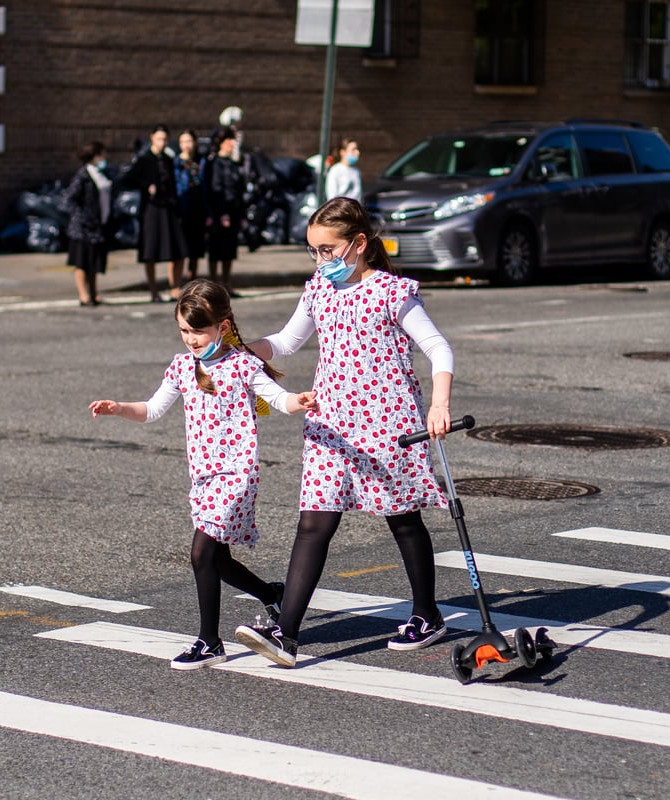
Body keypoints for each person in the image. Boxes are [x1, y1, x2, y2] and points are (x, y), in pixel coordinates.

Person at [234, 197, 454, 668]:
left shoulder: (393, 292)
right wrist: (234, 349)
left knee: (403, 517)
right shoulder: (318, 290)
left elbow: (439, 348)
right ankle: (287, 634)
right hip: (331, 423)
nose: (321, 261)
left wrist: (439, 405)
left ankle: (427, 613)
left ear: (358, 244)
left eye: (329, 250)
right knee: (314, 522)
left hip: (387, 422)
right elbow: (287, 342)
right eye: (313, 251)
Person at [89, 279, 316, 670]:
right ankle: (271, 593)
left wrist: (300, 401)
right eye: (184, 330)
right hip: (204, 477)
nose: (191, 339)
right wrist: (118, 408)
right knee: (216, 559)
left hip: (236, 474)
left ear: (222, 327)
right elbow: (152, 409)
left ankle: (209, 641)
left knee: (201, 554)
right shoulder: (182, 367)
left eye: (198, 330)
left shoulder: (243, 364)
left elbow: (277, 398)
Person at [119, 124, 187, 302]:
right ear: (152, 138)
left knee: (177, 249)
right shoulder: (144, 159)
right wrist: (145, 186)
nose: (162, 142)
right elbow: (127, 180)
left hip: (169, 207)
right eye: (159, 139)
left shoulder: (168, 159)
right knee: (151, 251)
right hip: (152, 209)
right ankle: (154, 290)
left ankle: (175, 287)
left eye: (165, 139)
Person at [61, 141, 111, 307]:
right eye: (102, 154)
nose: (104, 157)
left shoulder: (101, 173)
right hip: (83, 229)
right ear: (96, 155)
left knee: (94, 262)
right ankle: (84, 295)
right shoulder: (83, 175)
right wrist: (82, 217)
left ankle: (94, 293)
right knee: (82, 262)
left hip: (98, 226)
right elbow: (69, 199)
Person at [204, 127, 244, 290]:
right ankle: (214, 284)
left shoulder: (233, 163)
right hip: (218, 211)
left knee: (229, 250)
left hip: (232, 210)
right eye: (229, 140)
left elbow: (238, 188)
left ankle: (227, 284)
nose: (232, 143)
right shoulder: (214, 163)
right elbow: (214, 189)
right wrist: (220, 214)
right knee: (215, 250)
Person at [174, 129, 207, 281]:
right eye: (183, 142)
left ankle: (190, 281)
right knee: (179, 250)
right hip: (181, 209)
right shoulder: (175, 162)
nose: (186, 145)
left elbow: (205, 186)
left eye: (189, 141)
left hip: (197, 209)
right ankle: (175, 283)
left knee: (195, 250)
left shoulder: (201, 161)